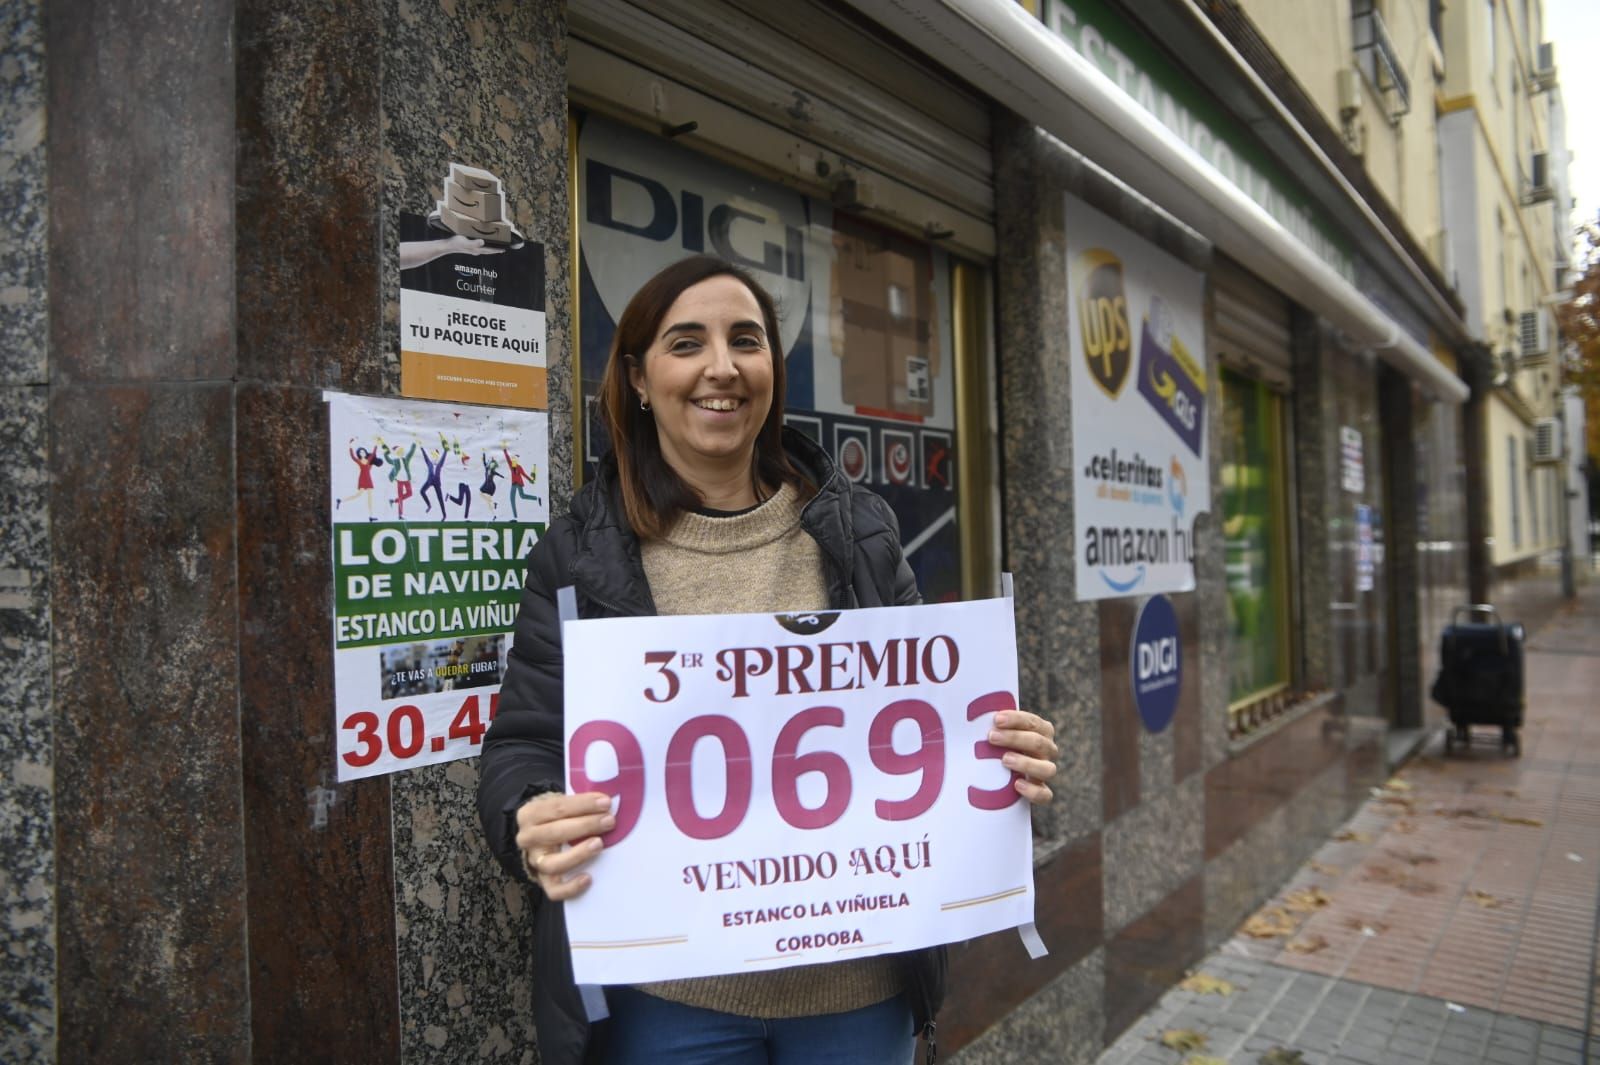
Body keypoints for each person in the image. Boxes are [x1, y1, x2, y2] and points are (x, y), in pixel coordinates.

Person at [476, 255, 1059, 1065]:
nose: (722, 367)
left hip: (859, 995)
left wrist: (1005, 753)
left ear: (773, 371)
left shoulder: (860, 531)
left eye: (745, 340)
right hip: (667, 1001)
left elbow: (930, 730)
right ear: (640, 377)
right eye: (688, 343)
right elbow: (522, 745)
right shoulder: (580, 555)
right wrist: (528, 816)